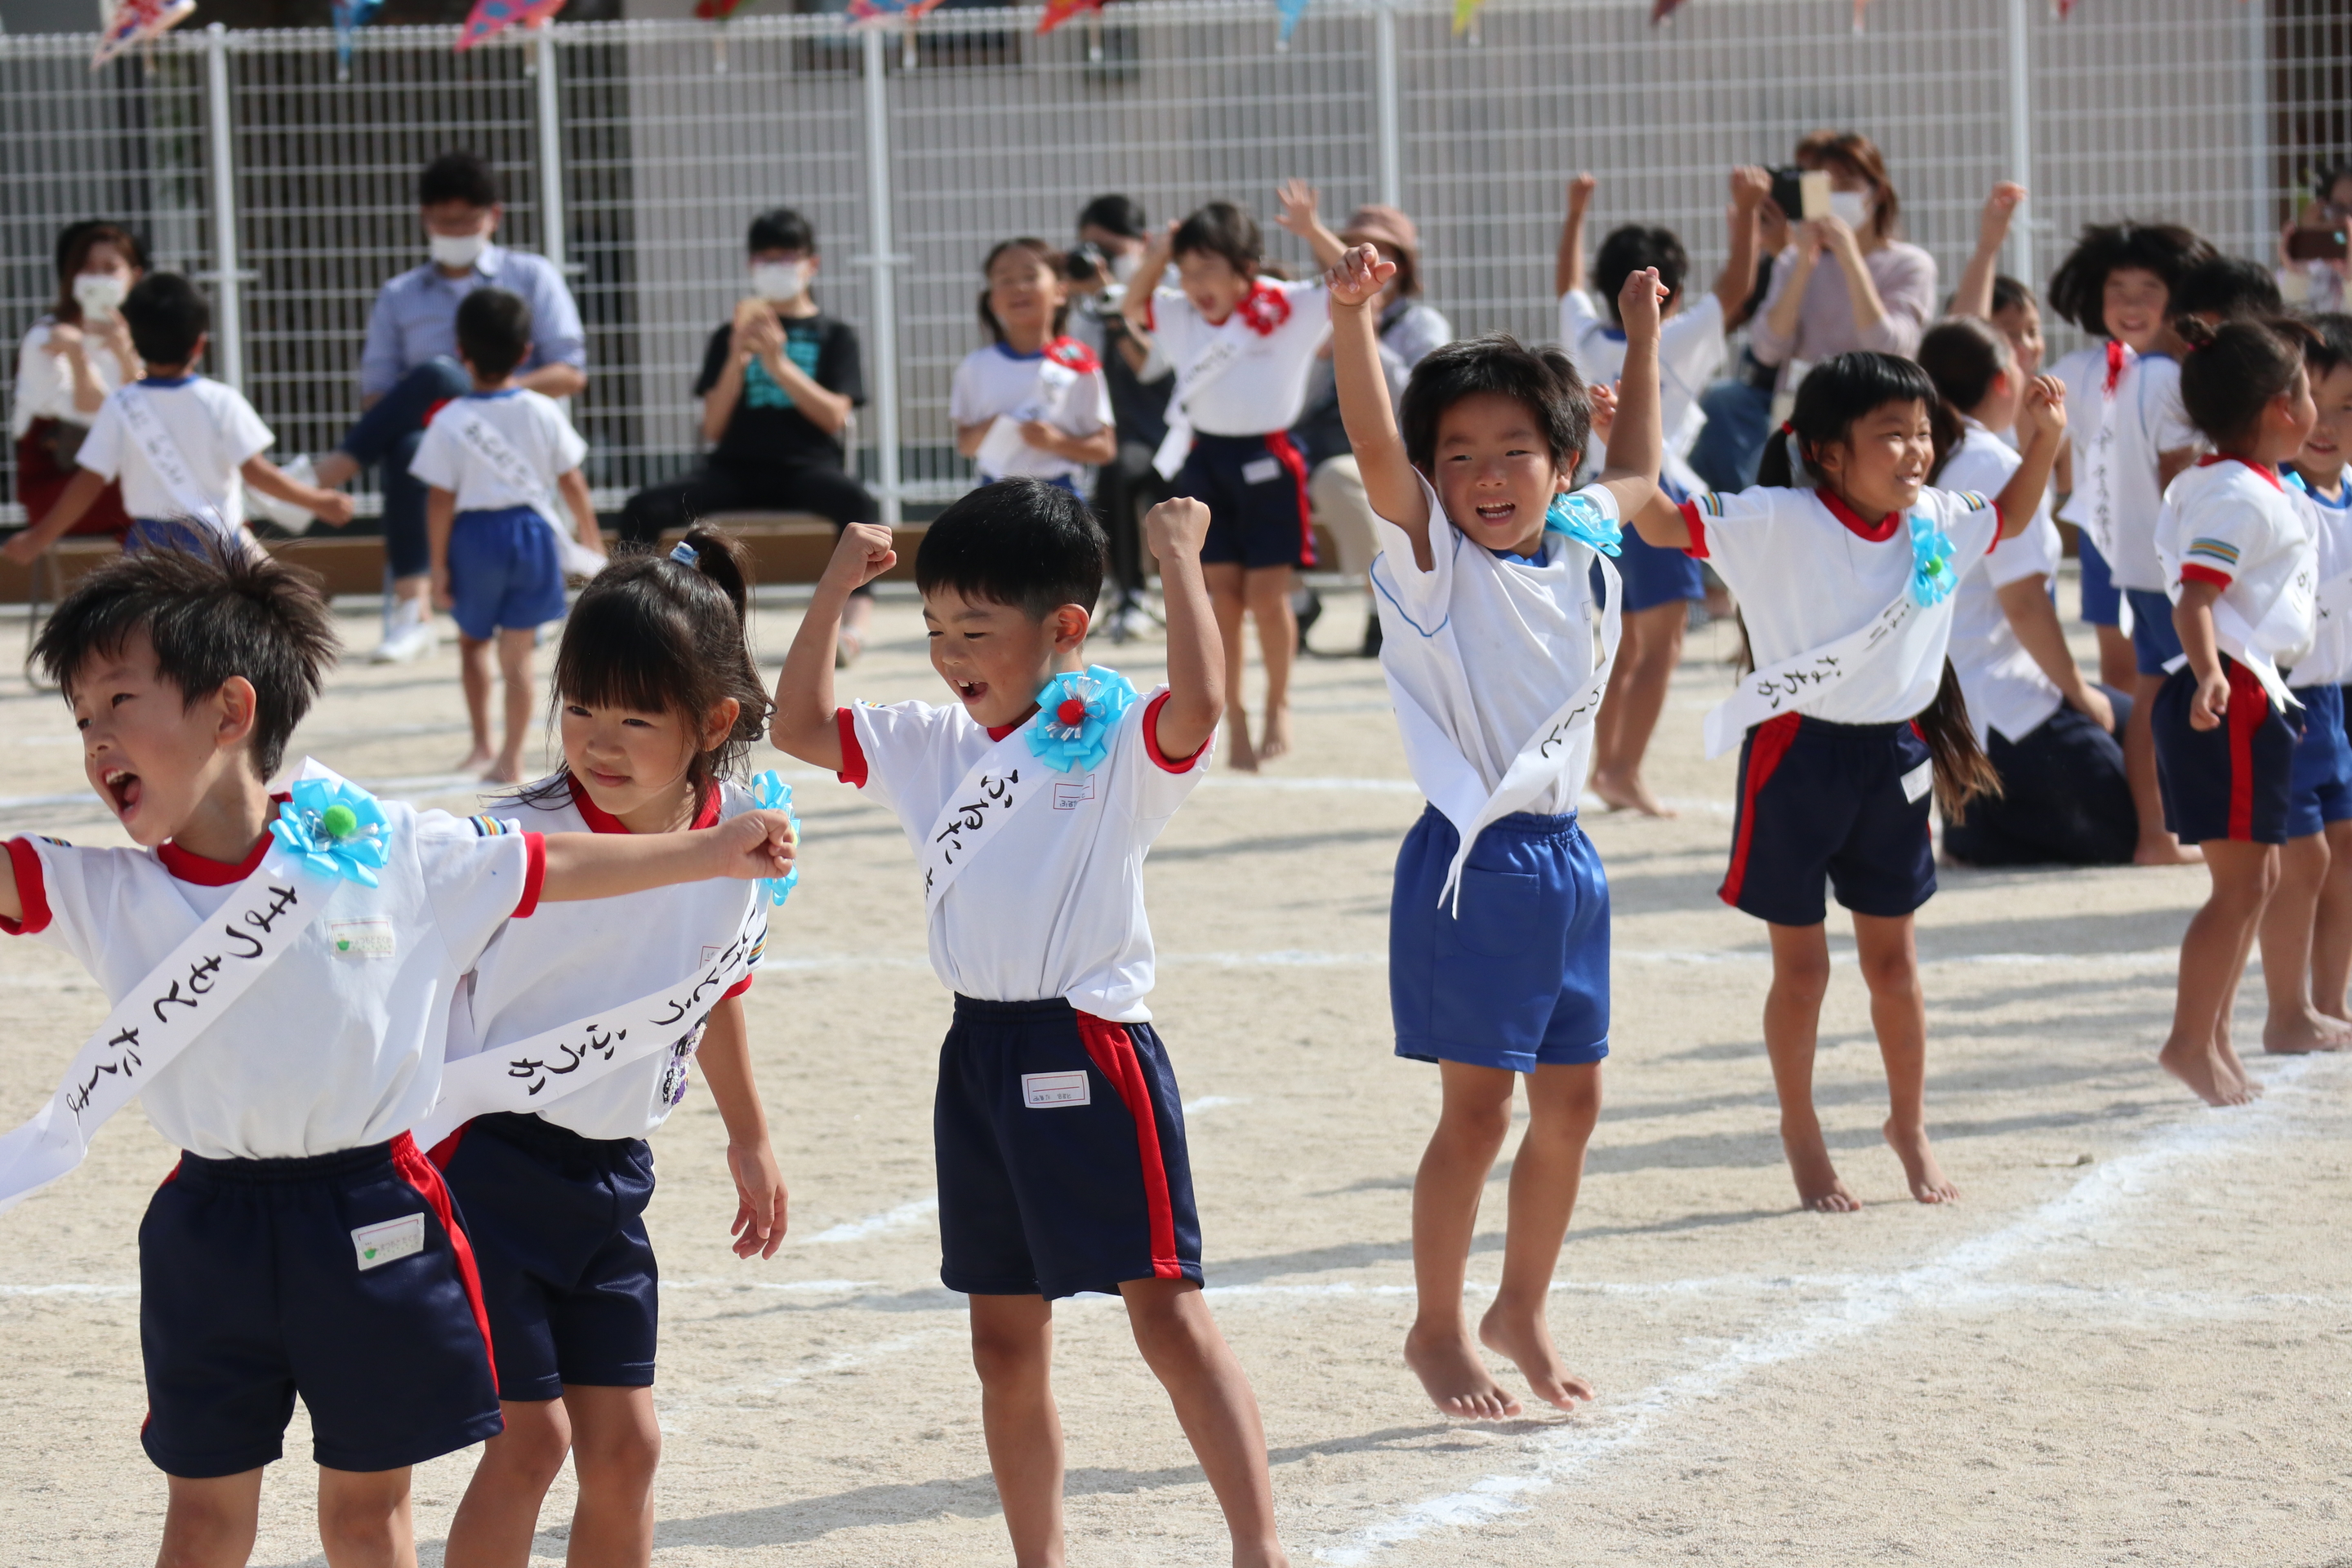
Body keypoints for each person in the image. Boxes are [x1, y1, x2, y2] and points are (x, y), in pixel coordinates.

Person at [0, 544, 795, 1568]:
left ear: (232, 710)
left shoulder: (390, 850)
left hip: (372, 1215)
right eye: (80, 720)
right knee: (201, 1525)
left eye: (117, 701)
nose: (95, 738)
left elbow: (552, 867)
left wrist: (710, 850)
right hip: (209, 1229)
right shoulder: (102, 889)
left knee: (369, 1518)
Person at [768, 482, 1288, 1568]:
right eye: (935, 631)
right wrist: (833, 586)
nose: (953, 656)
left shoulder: (1110, 736)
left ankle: (1259, 1548)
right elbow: (800, 725)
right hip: (978, 1052)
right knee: (1003, 1339)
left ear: (1064, 629)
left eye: (977, 631)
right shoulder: (926, 742)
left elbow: (1199, 706)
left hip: (1092, 1047)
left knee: (1165, 1314)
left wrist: (1179, 555)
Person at [1330, 237, 1666, 1418]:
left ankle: (1518, 1304)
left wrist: (1643, 334)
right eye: (1458, 455)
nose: (1485, 474)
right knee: (1478, 1115)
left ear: (1556, 463)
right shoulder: (1430, 566)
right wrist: (1355, 319)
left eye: (1514, 451)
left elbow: (1638, 473)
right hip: (1477, 866)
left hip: (1570, 864)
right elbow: (1375, 445)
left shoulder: (1577, 542)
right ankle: (1435, 1329)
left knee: (1574, 1104)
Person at [1624, 352, 2067, 1210]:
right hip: (1795, 758)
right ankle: (1802, 1128)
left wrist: (2043, 437)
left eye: (1924, 433)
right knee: (1802, 974)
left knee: (1894, 967)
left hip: (1895, 757)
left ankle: (1908, 1123)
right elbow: (1652, 521)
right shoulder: (1777, 519)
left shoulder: (1937, 518)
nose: (1915, 452)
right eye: (1890, 435)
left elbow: (2009, 516)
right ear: (1826, 452)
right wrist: (1643, 355)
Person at [433, 528, 787, 1568]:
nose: (598, 739)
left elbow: (712, 995)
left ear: (712, 722)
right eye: (581, 706)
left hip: (613, 1175)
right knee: (528, 1441)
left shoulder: (740, 841)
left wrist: (750, 1137)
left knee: (627, 1448)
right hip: (485, 1165)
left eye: (636, 717)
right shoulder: (510, 843)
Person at [312, 150, 587, 666]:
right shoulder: (400, 294)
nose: (453, 231)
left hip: (514, 433)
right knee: (413, 440)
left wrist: (490, 392)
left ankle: (326, 475)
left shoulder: (531, 275)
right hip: (438, 437)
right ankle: (411, 608)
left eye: (465, 222)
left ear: (494, 217)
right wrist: (451, 411)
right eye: (442, 222)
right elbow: (377, 396)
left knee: (437, 376)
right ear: (424, 219)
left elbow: (570, 370)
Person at [1557, 165, 1769, 817]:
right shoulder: (1672, 335)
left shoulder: (1585, 334)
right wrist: (1747, 216)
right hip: (1653, 491)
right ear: (1666, 291)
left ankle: (1607, 766)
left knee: (1621, 644)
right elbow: (1735, 290)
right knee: (1662, 645)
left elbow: (1566, 284)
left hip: (1594, 496)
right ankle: (1623, 769)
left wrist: (1575, 213)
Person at [2149, 315, 2323, 1106]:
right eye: (2312, 390)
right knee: (2241, 886)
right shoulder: (2236, 495)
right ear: (2283, 407)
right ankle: (2190, 1041)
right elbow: (2196, 597)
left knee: (2261, 878)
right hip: (2230, 695)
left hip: (2246, 689)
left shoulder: (2222, 479)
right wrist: (2215, 674)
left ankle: (2212, 1037)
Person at [1120, 185, 1343, 771]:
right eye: (1187, 270)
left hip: (1271, 461)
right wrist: (1158, 254)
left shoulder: (1288, 304)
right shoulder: (1178, 311)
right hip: (1205, 463)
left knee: (1269, 599)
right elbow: (1132, 305)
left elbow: (1352, 277)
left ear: (1246, 268)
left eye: (1209, 269)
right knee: (1223, 599)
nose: (1195, 284)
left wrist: (1311, 230)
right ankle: (1235, 715)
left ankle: (1279, 704)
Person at [619, 207, 879, 665]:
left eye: (786, 257)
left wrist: (778, 363)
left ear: (810, 264)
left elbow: (835, 417)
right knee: (642, 507)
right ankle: (628, 614)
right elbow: (713, 427)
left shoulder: (834, 335)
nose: (775, 267)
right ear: (750, 265)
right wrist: (737, 359)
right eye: (765, 258)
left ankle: (852, 627)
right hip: (734, 466)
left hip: (807, 465)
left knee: (859, 506)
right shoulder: (728, 335)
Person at [1918, 318, 2135, 866]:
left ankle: (1981, 821)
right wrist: (2081, 694)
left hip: (1956, 703)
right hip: (2001, 707)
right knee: (2124, 829)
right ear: (2002, 382)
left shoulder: (1935, 454)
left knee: (2141, 725)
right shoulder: (1991, 461)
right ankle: (1982, 830)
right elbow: (2024, 603)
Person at [2046, 220, 2215, 866]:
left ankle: (2157, 827)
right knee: (2156, 689)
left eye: (2151, 287)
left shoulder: (2149, 373)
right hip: (2146, 555)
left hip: (2129, 553)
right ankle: (2158, 829)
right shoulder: (2140, 376)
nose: (2134, 302)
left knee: (2148, 687)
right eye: (2119, 288)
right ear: (2094, 295)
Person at [5, 273, 350, 563]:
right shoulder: (221, 401)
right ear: (199, 344)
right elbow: (259, 475)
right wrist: (319, 502)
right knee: (285, 609)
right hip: (217, 548)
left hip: (146, 549)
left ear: (134, 345)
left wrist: (38, 537)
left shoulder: (120, 405)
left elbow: (88, 483)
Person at [413, 288, 603, 784]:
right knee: (519, 651)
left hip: (473, 537)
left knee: (473, 642)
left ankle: (482, 743)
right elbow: (572, 481)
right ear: (525, 352)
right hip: (533, 534)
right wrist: (591, 538)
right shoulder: (542, 410)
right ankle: (512, 758)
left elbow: (439, 500)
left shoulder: (450, 420)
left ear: (461, 352)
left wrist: (436, 566)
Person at [1290, 202, 1452, 658]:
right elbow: (1296, 407)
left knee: (1337, 479)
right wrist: (1324, 350)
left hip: (1403, 455)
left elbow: (1422, 399)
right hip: (1330, 447)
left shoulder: (1422, 324)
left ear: (1402, 263)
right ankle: (1299, 602)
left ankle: (1383, 606)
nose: (1364, 259)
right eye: (1353, 250)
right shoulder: (1324, 319)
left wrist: (1367, 334)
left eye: (1379, 250)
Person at [2256, 315, 2352, 1058]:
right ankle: (2284, 1011)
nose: (2324, 420)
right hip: (2283, 701)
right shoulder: (2275, 497)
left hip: (2334, 702)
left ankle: (2327, 1002)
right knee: (2302, 857)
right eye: (2310, 397)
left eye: (2348, 404)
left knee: (2344, 851)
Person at [1746, 131, 1939, 394]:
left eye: (1846, 185)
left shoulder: (1910, 264)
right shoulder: (1793, 261)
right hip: (1807, 414)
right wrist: (1802, 267)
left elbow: (1889, 348)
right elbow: (1766, 350)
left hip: (1876, 408)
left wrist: (1851, 261)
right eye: (1825, 189)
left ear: (1878, 192)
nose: (1835, 197)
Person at [1066, 194, 1174, 642]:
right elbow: (1079, 357)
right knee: (1114, 472)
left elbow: (1152, 365)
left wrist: (1115, 300)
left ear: (1143, 244)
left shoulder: (1170, 290)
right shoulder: (1089, 304)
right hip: (1124, 432)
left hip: (1176, 427)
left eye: (1110, 252)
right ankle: (1131, 594)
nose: (1100, 262)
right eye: (1092, 251)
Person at [11, 220, 145, 541]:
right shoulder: (46, 337)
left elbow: (152, 413)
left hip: (122, 475)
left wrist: (126, 356)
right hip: (61, 479)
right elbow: (89, 411)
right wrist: (75, 353)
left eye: (110, 268)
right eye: (87, 267)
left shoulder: (138, 338)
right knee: (169, 500)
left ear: (134, 276)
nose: (98, 278)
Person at [949, 238, 1116, 492]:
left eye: (1030, 276)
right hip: (993, 499)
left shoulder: (1079, 362)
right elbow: (965, 445)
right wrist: (990, 428)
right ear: (992, 299)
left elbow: (1105, 449)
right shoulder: (975, 367)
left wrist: (1056, 442)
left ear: (1060, 291)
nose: (1018, 288)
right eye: (1005, 280)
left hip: (1060, 499)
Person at [2277, 163, 2352, 314]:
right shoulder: (2311, 270)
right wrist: (2296, 274)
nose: (2347, 220)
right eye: (2338, 208)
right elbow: (2288, 330)